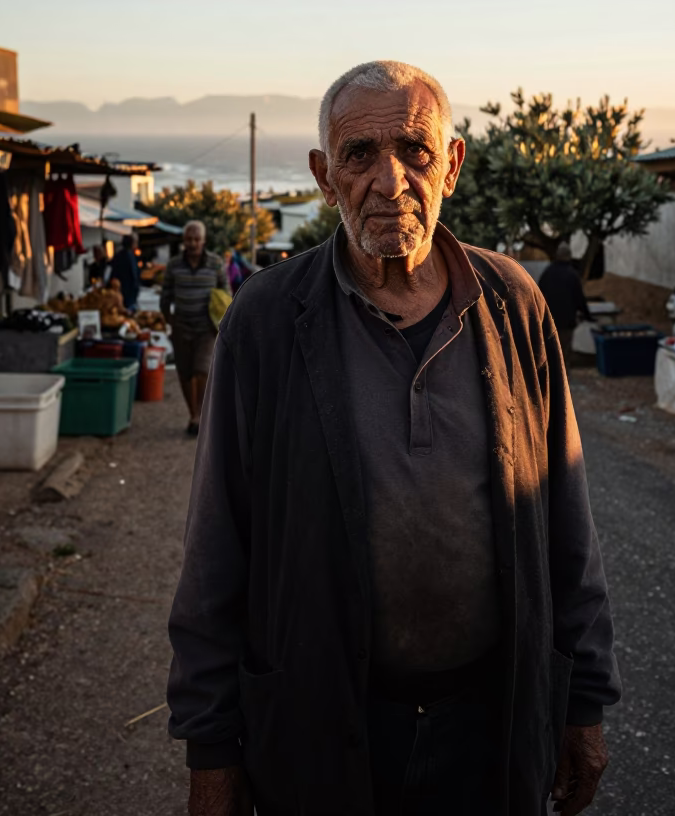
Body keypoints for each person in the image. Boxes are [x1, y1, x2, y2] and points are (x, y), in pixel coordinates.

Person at [167, 61, 620, 816]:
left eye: (414, 150)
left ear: (452, 163)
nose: (390, 180)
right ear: (323, 175)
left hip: (492, 720)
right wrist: (211, 749)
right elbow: (218, 545)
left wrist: (585, 703)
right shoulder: (268, 320)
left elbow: (566, 520)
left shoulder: (513, 302)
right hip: (323, 722)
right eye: (358, 156)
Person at [160, 221, 230, 436]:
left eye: (196, 239)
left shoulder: (215, 263)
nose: (193, 243)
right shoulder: (173, 265)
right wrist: (169, 319)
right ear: (184, 241)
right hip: (181, 325)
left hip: (206, 327)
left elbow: (225, 291)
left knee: (202, 370)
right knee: (185, 372)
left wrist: (223, 319)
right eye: (189, 239)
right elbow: (166, 295)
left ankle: (199, 414)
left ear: (203, 240)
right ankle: (193, 414)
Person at [538, 242, 592, 366]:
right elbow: (579, 299)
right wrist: (588, 316)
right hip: (567, 321)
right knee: (564, 352)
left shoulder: (547, 273)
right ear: (569, 256)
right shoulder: (572, 275)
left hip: (549, 320)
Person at [106, 234, 140, 312]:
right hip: (128, 294)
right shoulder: (130, 256)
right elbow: (134, 276)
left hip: (119, 292)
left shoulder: (118, 255)